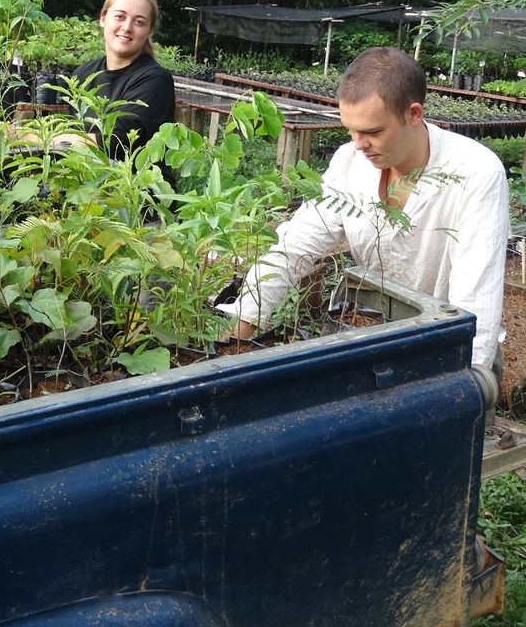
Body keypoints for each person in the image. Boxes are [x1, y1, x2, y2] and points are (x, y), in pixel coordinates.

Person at [215, 47, 507, 383]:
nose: (358, 144)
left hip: (445, 349)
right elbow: (294, 247)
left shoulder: (475, 174)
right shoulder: (350, 163)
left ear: (413, 114)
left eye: (373, 132)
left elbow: (474, 305)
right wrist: (242, 322)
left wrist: (463, 386)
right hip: (372, 333)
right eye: (351, 130)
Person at [67, 0, 176, 160]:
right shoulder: (83, 75)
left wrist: (34, 138)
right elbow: (71, 132)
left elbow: (116, 143)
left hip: (133, 178)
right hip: (84, 175)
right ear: (103, 18)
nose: (127, 27)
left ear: (150, 31)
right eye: (120, 16)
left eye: (139, 22)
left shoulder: (155, 81)